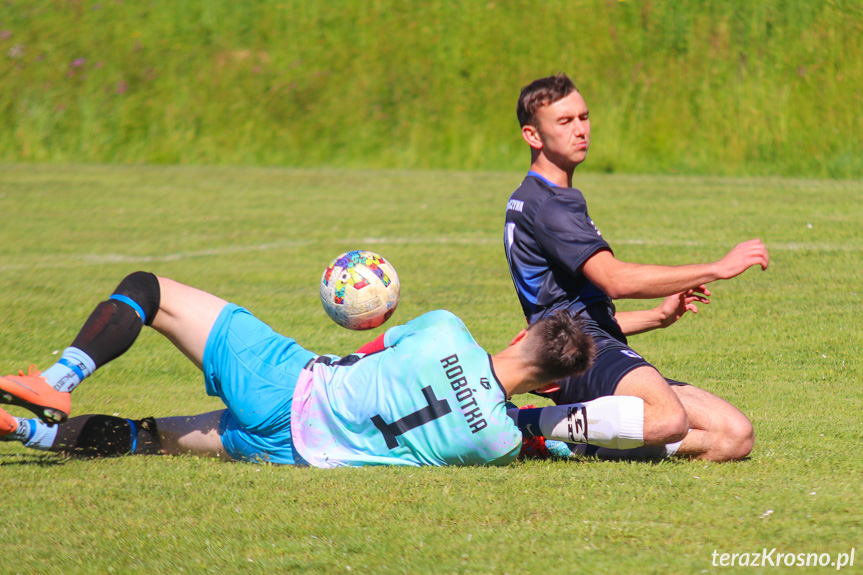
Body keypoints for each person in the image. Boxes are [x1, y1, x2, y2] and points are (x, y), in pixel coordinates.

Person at [1, 271, 646, 466]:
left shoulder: (446, 329)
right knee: (150, 437)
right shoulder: (500, 443)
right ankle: (25, 434)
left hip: (290, 383)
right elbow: (549, 432)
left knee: (148, 290)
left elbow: (371, 351)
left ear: (522, 333)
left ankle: (56, 382)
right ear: (553, 384)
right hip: (290, 452)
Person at [504, 73, 770, 461]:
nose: (580, 130)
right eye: (565, 121)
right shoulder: (550, 205)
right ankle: (533, 429)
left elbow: (578, 307)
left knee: (734, 435)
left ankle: (578, 436)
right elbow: (613, 280)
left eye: (584, 117)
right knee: (666, 420)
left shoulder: (542, 197)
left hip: (589, 340)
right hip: (578, 355)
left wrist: (657, 316)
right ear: (533, 135)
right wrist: (717, 268)